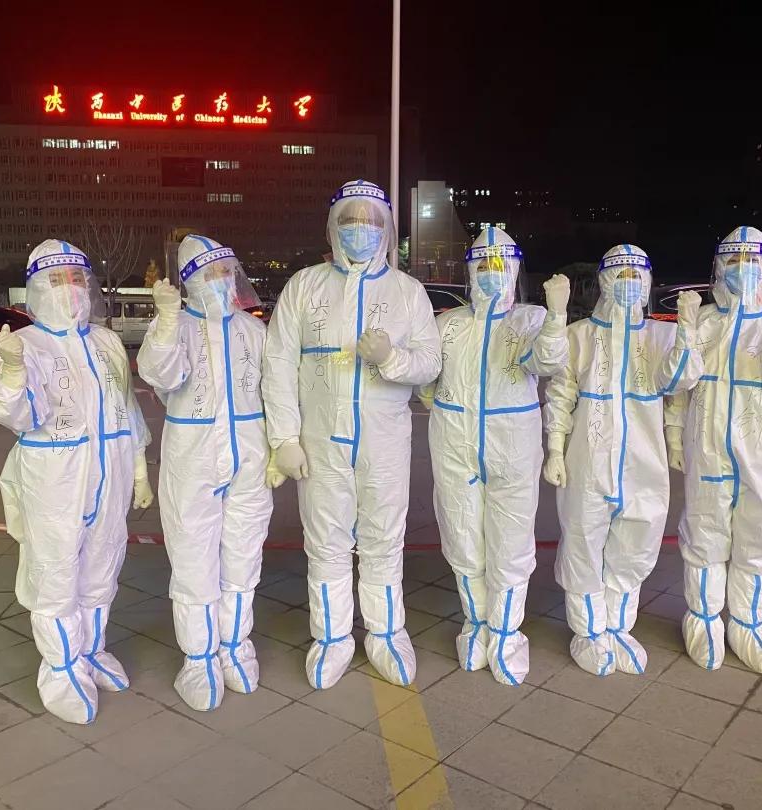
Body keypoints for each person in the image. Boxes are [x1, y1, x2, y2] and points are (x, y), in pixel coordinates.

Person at [263, 179, 441, 689]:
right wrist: (284, 438)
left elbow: (430, 362)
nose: (360, 229)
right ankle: (332, 637)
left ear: (387, 230)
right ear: (332, 227)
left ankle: (386, 634)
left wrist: (391, 358)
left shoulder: (407, 292)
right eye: (349, 220)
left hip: (384, 441)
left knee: (384, 539)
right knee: (326, 542)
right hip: (320, 442)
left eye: (370, 221)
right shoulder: (304, 287)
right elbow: (278, 362)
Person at [0, 239, 153, 724]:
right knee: (55, 575)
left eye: (77, 278)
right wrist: (11, 368)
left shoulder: (106, 342)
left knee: (102, 567)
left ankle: (91, 650)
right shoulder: (27, 344)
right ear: (36, 287)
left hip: (111, 474)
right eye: (57, 280)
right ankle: (61, 668)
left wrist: (140, 469)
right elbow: (13, 414)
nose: (70, 288)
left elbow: (127, 407)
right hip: (55, 480)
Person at [665, 227, 762, 675]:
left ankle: (750, 624)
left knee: (756, 536)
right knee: (704, 532)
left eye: (751, 261)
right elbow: (679, 385)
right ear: (719, 268)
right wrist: (675, 435)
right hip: (707, 443)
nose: (742, 270)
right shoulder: (706, 320)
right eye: (732, 261)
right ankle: (703, 620)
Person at [418, 227, 569, 685]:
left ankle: (505, 633)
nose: (490, 273)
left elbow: (546, 362)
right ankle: (476, 623)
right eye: (482, 265)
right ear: (469, 271)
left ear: (515, 270)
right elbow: (428, 377)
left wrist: (557, 317)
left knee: (511, 542)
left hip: (512, 446)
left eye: (500, 265)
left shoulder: (529, 319)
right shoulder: (449, 323)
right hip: (454, 445)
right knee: (462, 537)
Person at [544, 244, 703, 676]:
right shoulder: (579, 336)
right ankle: (588, 631)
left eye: (637, 277)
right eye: (621, 276)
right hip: (587, 460)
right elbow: (560, 395)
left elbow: (679, 383)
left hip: (643, 462)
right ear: (605, 282)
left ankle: (617, 627)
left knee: (636, 541)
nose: (629, 284)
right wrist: (555, 448)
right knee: (583, 541)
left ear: (648, 283)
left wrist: (687, 330)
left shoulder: (660, 336)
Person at [137, 235, 279, 711]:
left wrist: (281, 446)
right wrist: (166, 322)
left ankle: (235, 647)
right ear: (189, 281)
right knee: (193, 559)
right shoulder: (173, 328)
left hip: (250, 457)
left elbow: (277, 390)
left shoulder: (254, 331)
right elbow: (161, 375)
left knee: (243, 557)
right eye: (209, 273)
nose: (221, 281)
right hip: (192, 460)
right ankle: (198, 659)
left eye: (226, 272)